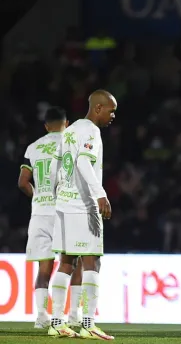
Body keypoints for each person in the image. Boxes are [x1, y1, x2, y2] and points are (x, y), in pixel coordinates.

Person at [47, 90, 116, 339]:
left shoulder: (71, 130)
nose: (113, 115)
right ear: (98, 108)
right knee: (92, 262)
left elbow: (60, 165)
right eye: (111, 110)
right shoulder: (90, 131)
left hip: (64, 204)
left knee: (66, 262)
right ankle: (88, 322)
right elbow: (83, 163)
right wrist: (100, 194)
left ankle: (56, 321)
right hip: (82, 205)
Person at [18, 107, 83, 329]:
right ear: (67, 123)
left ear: (46, 126)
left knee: (43, 268)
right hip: (64, 210)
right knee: (73, 261)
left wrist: (37, 196)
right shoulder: (71, 143)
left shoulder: (33, 147)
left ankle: (41, 316)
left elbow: (22, 181)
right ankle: (73, 313)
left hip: (39, 213)